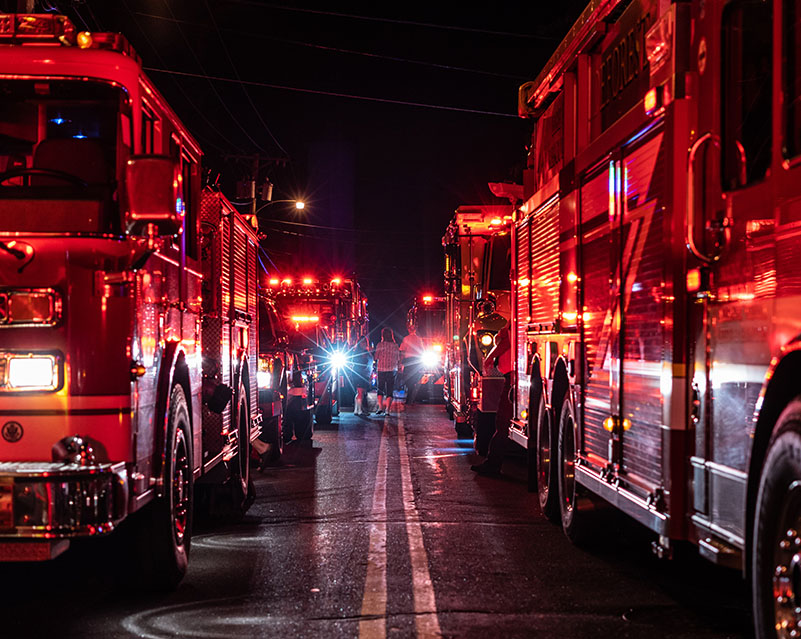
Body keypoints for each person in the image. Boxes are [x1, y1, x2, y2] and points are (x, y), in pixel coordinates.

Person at [471, 320, 512, 476]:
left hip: (512, 377)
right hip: (510, 376)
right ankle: (492, 463)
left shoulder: (514, 322)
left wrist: (490, 356)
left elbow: (507, 341)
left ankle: (493, 465)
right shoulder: (512, 321)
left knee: (502, 422)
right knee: (502, 423)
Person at [373, 327, 400, 416]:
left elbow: (376, 357)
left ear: (383, 335)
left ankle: (380, 407)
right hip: (392, 369)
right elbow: (398, 358)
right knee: (390, 389)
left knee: (380, 388)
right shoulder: (395, 346)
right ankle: (388, 409)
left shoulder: (380, 345)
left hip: (381, 369)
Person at [399, 324, 425, 404]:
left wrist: (401, 362)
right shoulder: (419, 339)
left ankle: (409, 398)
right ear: (415, 330)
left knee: (408, 379)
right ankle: (413, 397)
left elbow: (402, 350)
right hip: (416, 361)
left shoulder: (406, 338)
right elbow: (422, 350)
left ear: (409, 330)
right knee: (415, 379)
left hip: (408, 361)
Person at [352, 334, 373, 416]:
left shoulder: (366, 352)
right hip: (360, 374)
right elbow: (359, 363)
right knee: (360, 392)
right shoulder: (359, 352)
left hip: (365, 374)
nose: (364, 344)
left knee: (360, 392)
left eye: (365, 342)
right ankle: (359, 410)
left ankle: (356, 409)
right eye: (362, 342)